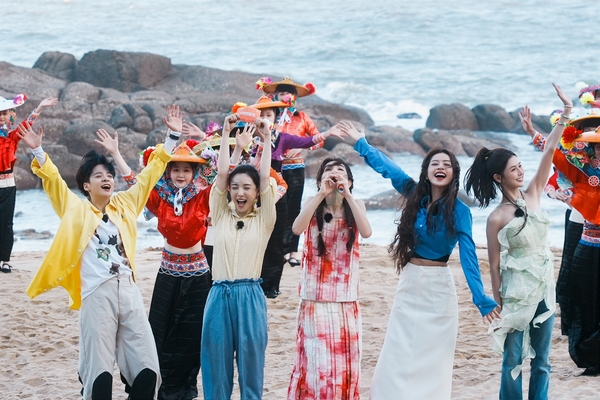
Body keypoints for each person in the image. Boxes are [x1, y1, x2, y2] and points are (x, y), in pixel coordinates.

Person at [22, 106, 182, 399]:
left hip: (129, 291)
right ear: (87, 185)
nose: (107, 178)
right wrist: (38, 151)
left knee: (148, 371)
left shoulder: (125, 204)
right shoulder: (75, 209)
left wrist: (172, 138)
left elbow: (150, 175)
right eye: (99, 176)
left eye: (109, 174)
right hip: (97, 294)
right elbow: (54, 181)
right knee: (100, 377)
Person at [339, 121, 498, 399]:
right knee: (399, 348)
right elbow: (389, 170)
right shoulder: (414, 195)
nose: (440, 167)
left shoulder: (460, 211)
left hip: (440, 286)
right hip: (411, 280)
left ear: (453, 173)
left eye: (446, 164)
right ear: (426, 171)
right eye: (435, 163)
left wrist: (480, 297)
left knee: (435, 355)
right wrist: (361, 144)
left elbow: (469, 255)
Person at [95, 108, 215, 400]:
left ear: (194, 173)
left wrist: (224, 144)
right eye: (176, 169)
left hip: (198, 273)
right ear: (168, 172)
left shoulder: (205, 195)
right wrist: (116, 152)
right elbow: (134, 183)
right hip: (167, 271)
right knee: (158, 331)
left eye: (186, 170)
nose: (181, 174)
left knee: (191, 334)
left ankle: (183, 390)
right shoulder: (160, 196)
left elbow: (225, 176)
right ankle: (155, 387)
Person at [465, 84, 571, 399]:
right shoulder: (496, 217)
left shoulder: (535, 192)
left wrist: (566, 112)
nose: (521, 171)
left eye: (521, 165)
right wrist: (498, 302)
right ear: (499, 177)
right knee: (512, 358)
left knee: (542, 360)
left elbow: (550, 151)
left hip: (544, 286)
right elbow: (494, 264)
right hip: (515, 293)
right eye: (514, 169)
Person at [200, 113, 275, 399]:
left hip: (250, 296)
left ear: (257, 193)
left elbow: (265, 177)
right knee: (216, 368)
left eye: (246, 187)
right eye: (235, 187)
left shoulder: (264, 219)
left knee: (251, 368)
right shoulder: (220, 214)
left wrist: (266, 139)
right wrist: (226, 135)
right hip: (218, 294)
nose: (240, 192)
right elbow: (221, 175)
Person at [287, 157, 371, 399]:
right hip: (315, 298)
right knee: (316, 364)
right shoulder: (312, 204)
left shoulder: (356, 205)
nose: (334, 172)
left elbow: (366, 231)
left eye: (340, 170)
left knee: (345, 362)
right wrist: (321, 194)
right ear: (319, 180)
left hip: (346, 299)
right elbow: (296, 229)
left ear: (350, 180)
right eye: (328, 170)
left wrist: (348, 196)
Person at [249, 95, 342, 299]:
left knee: (275, 240)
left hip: (276, 194)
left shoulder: (282, 138)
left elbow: (308, 141)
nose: (264, 118)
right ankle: (252, 281)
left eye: (268, 115)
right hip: (250, 196)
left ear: (275, 118)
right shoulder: (246, 137)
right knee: (253, 239)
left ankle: (271, 287)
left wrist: (328, 133)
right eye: (261, 115)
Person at [259, 76, 339, 267]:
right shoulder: (270, 117)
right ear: (275, 96)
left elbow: (319, 140)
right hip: (272, 168)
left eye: (289, 93)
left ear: (295, 97)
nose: (285, 96)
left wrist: (302, 148)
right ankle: (275, 250)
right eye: (281, 93)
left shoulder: (302, 117)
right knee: (273, 208)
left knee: (294, 209)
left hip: (295, 167)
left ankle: (293, 251)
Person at [549, 110, 600, 375]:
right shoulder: (582, 171)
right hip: (585, 242)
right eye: (597, 146)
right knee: (583, 299)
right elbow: (554, 159)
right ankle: (590, 357)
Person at [0, 94, 57, 273]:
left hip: (8, 185)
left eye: (4, 113)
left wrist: (40, 107)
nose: (1, 117)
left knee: (6, 224)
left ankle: (5, 260)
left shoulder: (12, 137)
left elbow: (26, 124)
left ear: (10, 114)